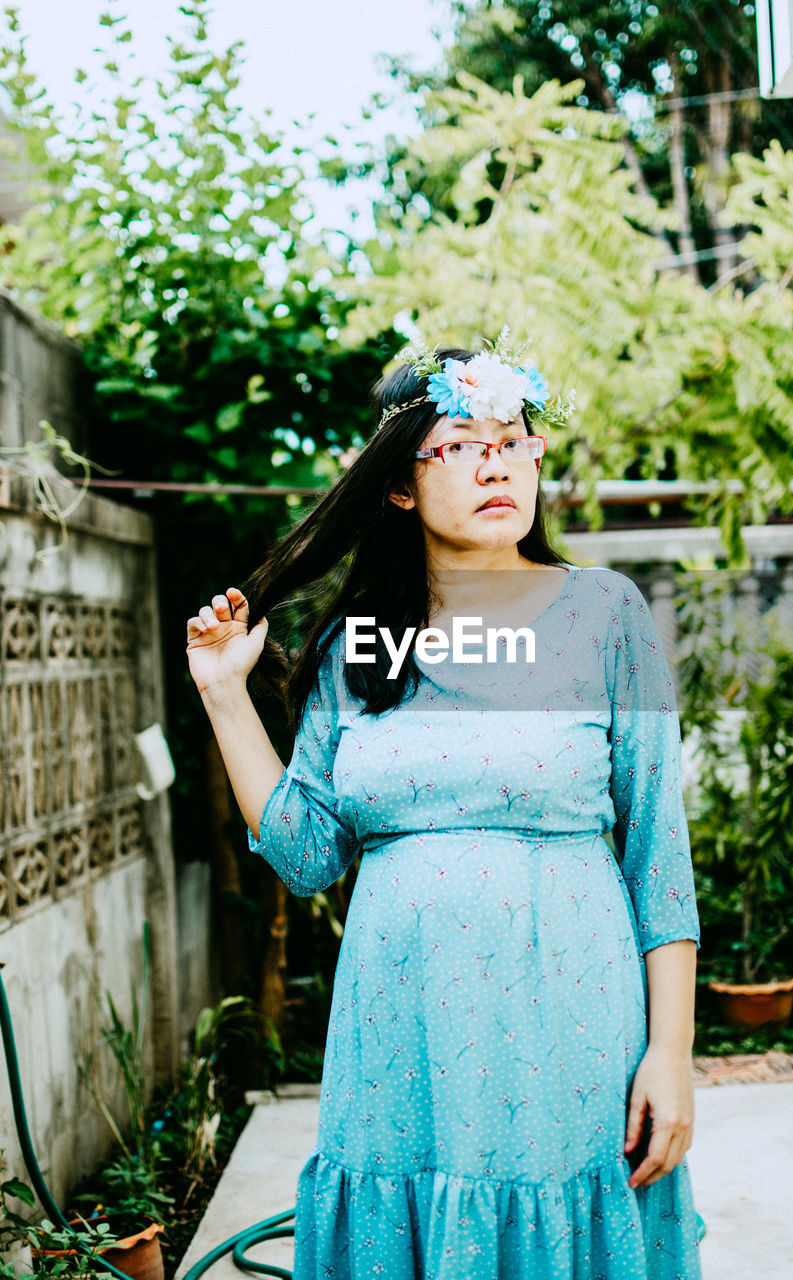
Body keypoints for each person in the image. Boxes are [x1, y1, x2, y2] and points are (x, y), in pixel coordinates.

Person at [186, 340, 703, 1280]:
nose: (497, 463)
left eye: (514, 441)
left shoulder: (604, 614)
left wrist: (670, 1056)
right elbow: (305, 854)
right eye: (461, 444)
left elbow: (658, 861)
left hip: (571, 1034)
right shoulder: (360, 647)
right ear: (399, 486)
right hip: (400, 1048)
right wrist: (226, 693)